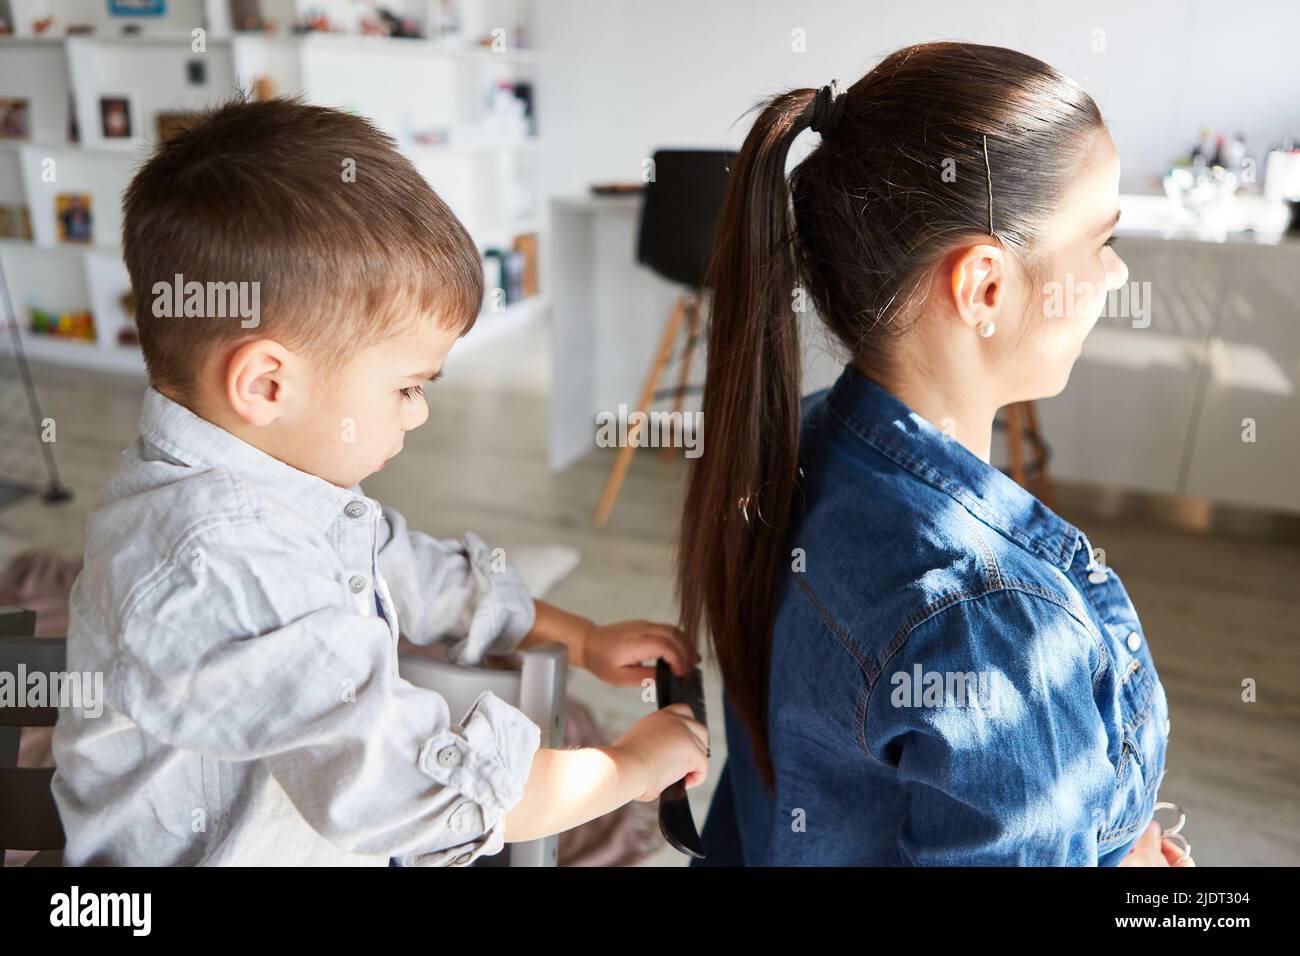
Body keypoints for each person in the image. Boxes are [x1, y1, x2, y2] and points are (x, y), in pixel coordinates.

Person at [51, 96, 708, 866]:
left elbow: (405, 563)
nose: (420, 413)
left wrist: (580, 637)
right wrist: (630, 767)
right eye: (407, 387)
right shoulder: (217, 569)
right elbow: (417, 796)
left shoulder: (271, 478)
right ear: (267, 385)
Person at [678, 41, 1191, 866]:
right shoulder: (989, 626)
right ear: (984, 286)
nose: (1114, 270)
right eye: (1101, 240)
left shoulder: (798, 448)